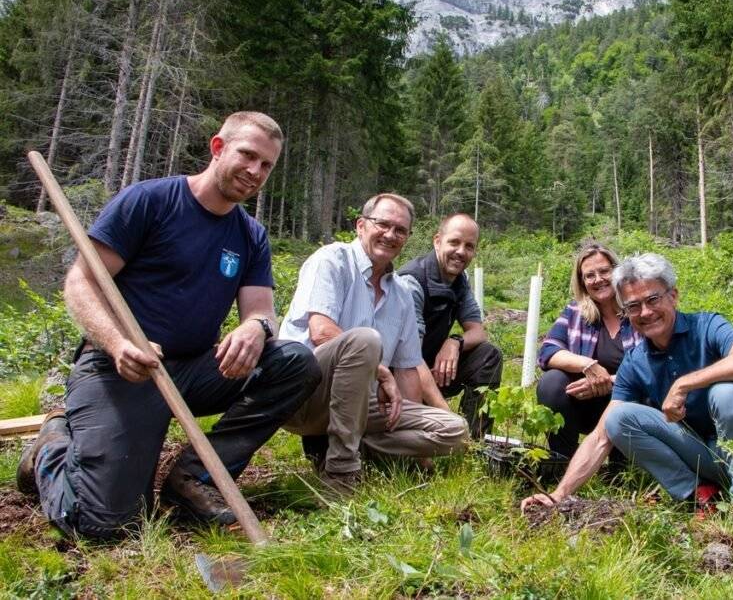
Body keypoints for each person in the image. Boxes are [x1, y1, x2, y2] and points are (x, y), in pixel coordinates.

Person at [16, 112, 321, 539]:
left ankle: (194, 478)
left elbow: (261, 310)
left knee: (294, 361)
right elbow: (81, 284)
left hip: (192, 372)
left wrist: (256, 328)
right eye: (247, 155)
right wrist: (118, 343)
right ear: (218, 148)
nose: (255, 171)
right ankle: (51, 448)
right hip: (120, 368)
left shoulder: (250, 235)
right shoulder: (150, 201)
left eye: (266, 164)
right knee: (102, 524)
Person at [521, 253, 733, 510]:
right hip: (708, 457)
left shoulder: (707, 326)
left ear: (673, 296)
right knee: (618, 418)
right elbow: (601, 437)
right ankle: (700, 495)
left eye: (653, 299)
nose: (645, 312)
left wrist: (684, 384)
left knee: (725, 393)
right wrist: (559, 494)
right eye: (633, 306)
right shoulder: (636, 361)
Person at [279, 193, 469, 495]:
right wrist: (381, 372)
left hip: (361, 408)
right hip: (303, 396)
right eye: (383, 224)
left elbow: (407, 371)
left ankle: (351, 447)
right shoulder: (332, 260)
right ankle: (340, 475)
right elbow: (320, 330)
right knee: (366, 340)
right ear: (361, 226)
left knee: (455, 430)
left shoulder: (401, 295)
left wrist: (415, 447)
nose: (391, 235)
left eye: (400, 230)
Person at [397, 213, 503, 439]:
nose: (461, 252)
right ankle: (457, 433)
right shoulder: (412, 283)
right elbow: (409, 358)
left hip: (434, 368)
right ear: (437, 241)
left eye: (469, 246)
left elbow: (478, 331)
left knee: (488, 355)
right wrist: (449, 418)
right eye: (454, 242)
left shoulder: (459, 280)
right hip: (399, 375)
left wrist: (454, 342)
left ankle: (477, 440)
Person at [535, 243, 642, 460]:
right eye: (589, 275)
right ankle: (562, 460)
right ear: (582, 283)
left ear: (617, 271)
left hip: (631, 403)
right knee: (551, 382)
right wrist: (588, 365)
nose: (598, 279)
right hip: (586, 405)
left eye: (604, 271)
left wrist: (609, 381)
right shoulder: (575, 313)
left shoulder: (639, 311)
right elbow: (547, 351)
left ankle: (623, 464)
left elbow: (653, 366)